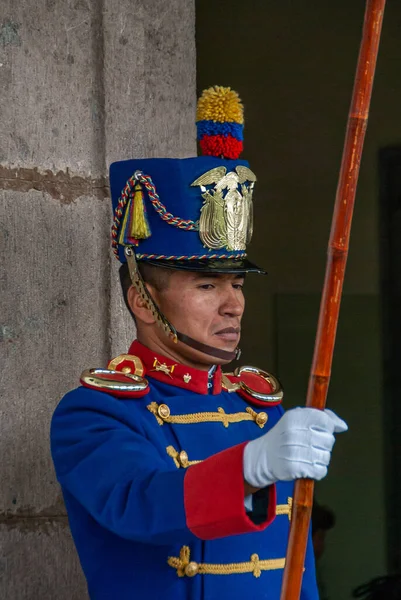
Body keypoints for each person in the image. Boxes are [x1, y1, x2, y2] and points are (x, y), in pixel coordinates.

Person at [50, 86, 347, 600]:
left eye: (237, 285)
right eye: (208, 286)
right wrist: (250, 467)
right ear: (143, 301)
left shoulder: (258, 409)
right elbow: (142, 502)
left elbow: (295, 575)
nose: (234, 305)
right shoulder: (93, 415)